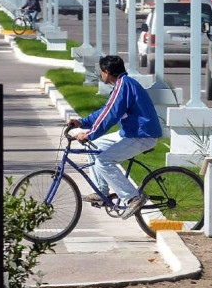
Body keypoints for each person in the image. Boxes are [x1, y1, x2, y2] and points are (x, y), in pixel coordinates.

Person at [66, 55, 162, 220]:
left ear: (106, 72)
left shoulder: (124, 86)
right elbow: (104, 111)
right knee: (94, 145)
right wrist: (82, 123)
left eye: (101, 72)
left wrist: (89, 133)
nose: (101, 75)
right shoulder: (121, 84)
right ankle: (101, 192)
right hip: (131, 133)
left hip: (142, 134)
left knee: (104, 160)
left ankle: (133, 197)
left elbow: (110, 116)